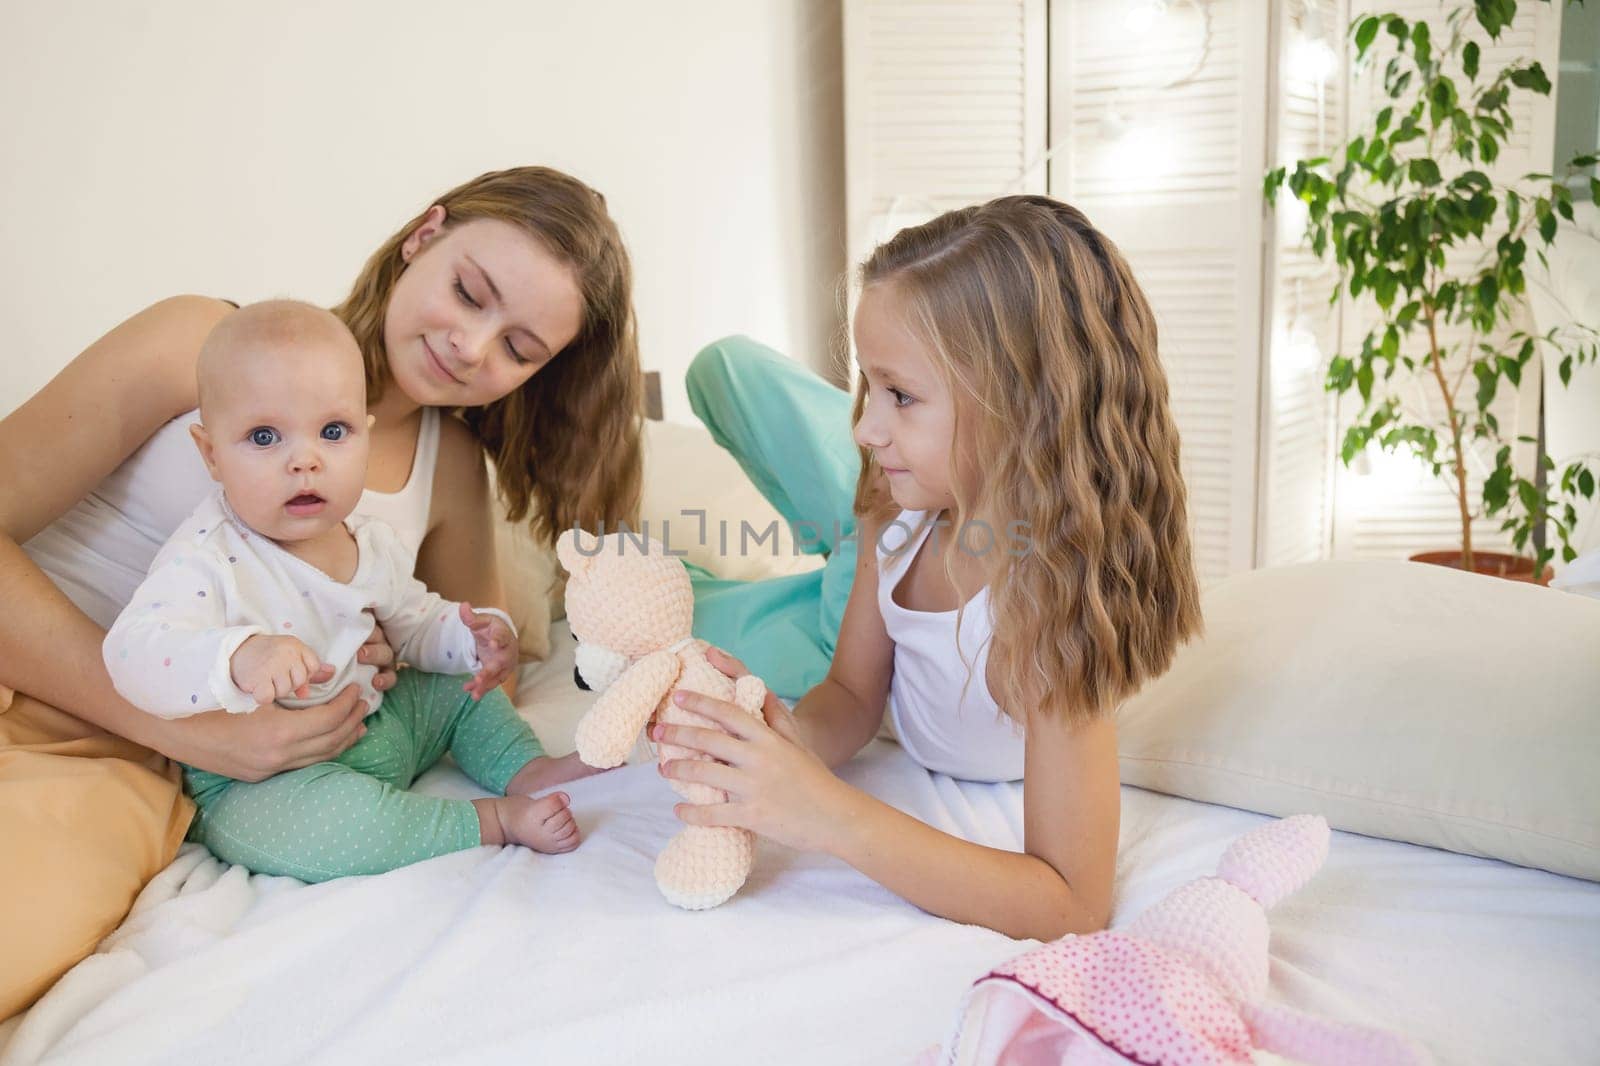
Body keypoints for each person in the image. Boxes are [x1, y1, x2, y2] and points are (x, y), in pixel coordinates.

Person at [0, 166, 642, 1018]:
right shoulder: (195, 342)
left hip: (142, 774)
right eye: (468, 291)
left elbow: (481, 665)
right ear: (424, 235)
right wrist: (191, 730)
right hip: (55, 681)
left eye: (520, 349)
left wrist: (388, 640)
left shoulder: (447, 466)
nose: (473, 346)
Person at [667, 195, 1203, 940]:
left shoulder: (1052, 593)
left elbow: (1072, 904)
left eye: (901, 395)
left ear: (1025, 405)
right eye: (867, 387)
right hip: (882, 539)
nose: (864, 426)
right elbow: (854, 691)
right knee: (678, 620)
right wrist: (790, 743)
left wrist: (826, 813)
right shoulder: (893, 515)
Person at [106, 300, 604, 879]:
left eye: (333, 432)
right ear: (212, 454)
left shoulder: (371, 542)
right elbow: (132, 650)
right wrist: (239, 656)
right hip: (272, 774)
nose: (305, 460)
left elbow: (415, 620)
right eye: (265, 436)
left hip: (380, 723)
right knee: (333, 828)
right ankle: (489, 820)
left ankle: (527, 768)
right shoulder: (209, 556)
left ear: (364, 439)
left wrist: (469, 638)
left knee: (455, 690)